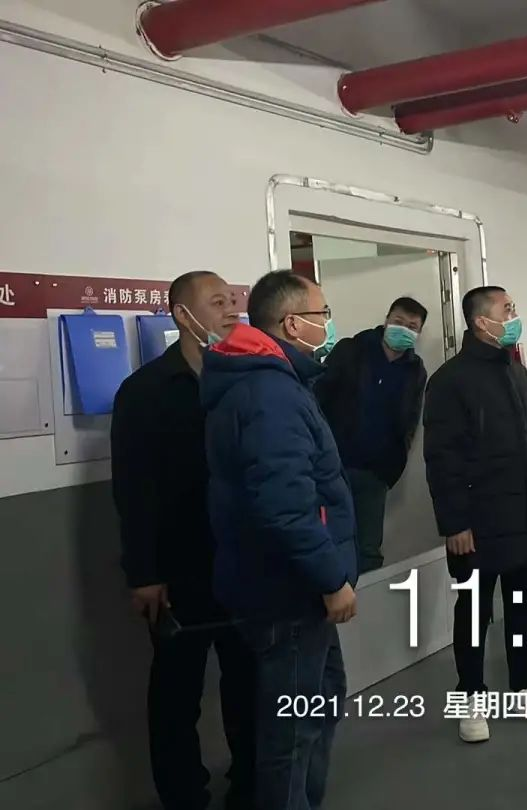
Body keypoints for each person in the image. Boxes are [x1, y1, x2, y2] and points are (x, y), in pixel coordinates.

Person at [200, 270, 358, 809]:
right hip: (287, 590)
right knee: (291, 734)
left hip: (290, 587)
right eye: (321, 314)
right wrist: (331, 578)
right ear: (292, 324)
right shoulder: (269, 393)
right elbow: (285, 505)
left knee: (323, 699)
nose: (328, 323)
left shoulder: (278, 382)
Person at [110, 270, 255, 810]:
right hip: (177, 572)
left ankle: (250, 786)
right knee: (176, 695)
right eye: (217, 302)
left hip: (240, 565)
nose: (230, 310)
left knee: (248, 685)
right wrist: (143, 573)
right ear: (182, 315)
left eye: (232, 301)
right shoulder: (145, 391)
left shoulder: (243, 380)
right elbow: (133, 490)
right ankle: (183, 795)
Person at [423, 285, 527, 743]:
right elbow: (441, 459)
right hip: (477, 524)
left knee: (523, 609)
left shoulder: (517, 374)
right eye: (507, 309)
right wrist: (455, 523)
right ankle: (470, 696)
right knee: (474, 613)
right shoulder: (449, 381)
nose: (514, 315)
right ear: (481, 322)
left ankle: (525, 686)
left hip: (524, 516)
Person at [316, 297, 429, 574]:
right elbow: (319, 398)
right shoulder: (351, 350)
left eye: (412, 326)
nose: (404, 329)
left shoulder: (415, 369)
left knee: (368, 549)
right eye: (399, 322)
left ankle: (367, 600)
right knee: (331, 541)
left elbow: (410, 420)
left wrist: (393, 464)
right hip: (334, 468)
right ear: (387, 320)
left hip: (376, 474)